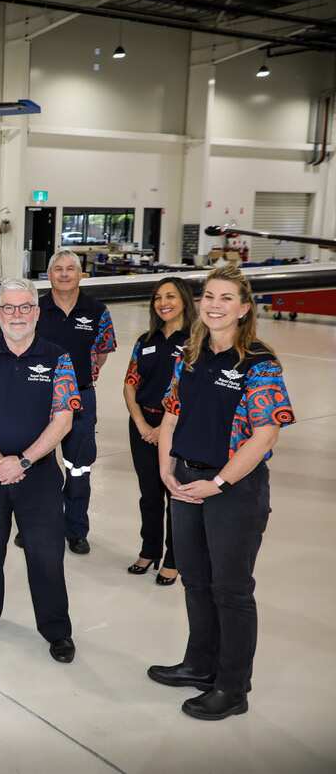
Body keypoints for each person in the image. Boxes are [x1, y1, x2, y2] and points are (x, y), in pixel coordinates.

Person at [149, 264, 295, 721]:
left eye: (226, 298)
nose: (214, 304)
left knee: (230, 590)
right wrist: (167, 473)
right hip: (187, 482)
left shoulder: (258, 363)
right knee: (195, 582)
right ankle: (200, 663)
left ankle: (232, 688)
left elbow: (265, 435)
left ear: (244, 308)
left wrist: (218, 482)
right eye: (209, 296)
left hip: (232, 490)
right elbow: (171, 416)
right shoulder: (190, 357)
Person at [0, 278, 80, 664]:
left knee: (46, 556)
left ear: (37, 313)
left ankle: (57, 630)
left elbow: (64, 420)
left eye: (25, 307)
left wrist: (22, 460)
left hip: (37, 475)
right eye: (8, 308)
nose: (17, 315)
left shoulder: (58, 357)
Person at [18, 249, 116, 554]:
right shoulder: (34, 309)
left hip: (80, 399)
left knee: (78, 467)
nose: (63, 274)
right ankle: (31, 526)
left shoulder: (97, 311)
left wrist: (82, 376)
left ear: (80, 275)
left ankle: (75, 529)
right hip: (37, 397)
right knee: (33, 465)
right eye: (57, 269)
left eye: (70, 269)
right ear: (48, 276)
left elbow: (102, 351)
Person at [123, 277, 194, 586]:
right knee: (149, 494)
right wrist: (141, 424)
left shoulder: (196, 340)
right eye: (157, 297)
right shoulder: (146, 340)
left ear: (185, 301)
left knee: (174, 494)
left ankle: (174, 558)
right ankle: (149, 548)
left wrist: (163, 427)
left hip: (178, 428)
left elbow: (194, 389)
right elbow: (130, 383)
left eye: (171, 296)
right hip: (142, 426)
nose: (163, 302)